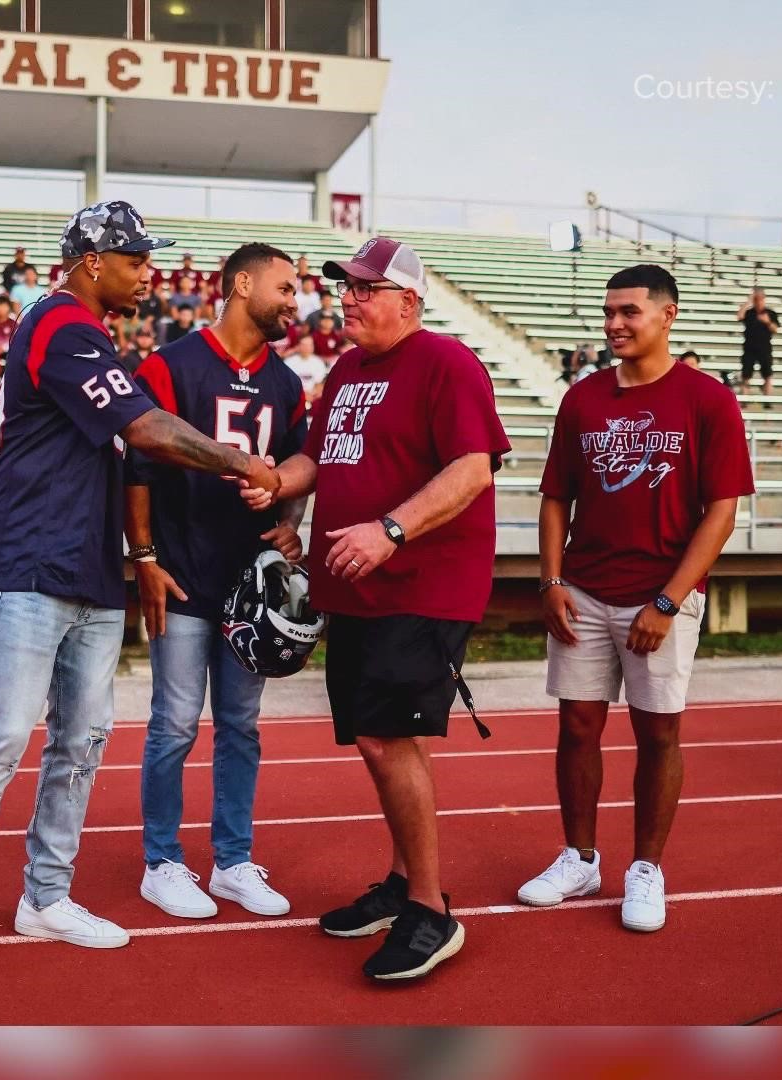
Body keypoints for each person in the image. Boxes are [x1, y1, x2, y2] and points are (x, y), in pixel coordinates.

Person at [0, 200, 281, 991]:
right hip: (26, 559)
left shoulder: (93, 336)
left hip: (87, 565)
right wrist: (242, 463)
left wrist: (139, 553)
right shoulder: (59, 323)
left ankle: (46, 896)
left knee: (80, 744)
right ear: (91, 261)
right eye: (135, 257)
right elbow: (147, 431)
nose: (149, 271)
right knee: (4, 737)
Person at [239, 236, 510, 983]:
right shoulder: (349, 369)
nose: (349, 298)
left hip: (421, 583)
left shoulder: (447, 363)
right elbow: (319, 460)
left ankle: (430, 908)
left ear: (409, 301)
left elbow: (473, 469)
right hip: (352, 585)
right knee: (372, 740)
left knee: (390, 740)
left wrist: (392, 530)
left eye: (365, 287)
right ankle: (401, 881)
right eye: (347, 286)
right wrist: (274, 485)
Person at [519, 264, 755, 934]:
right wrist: (551, 580)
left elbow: (721, 512)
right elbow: (556, 497)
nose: (616, 324)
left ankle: (646, 867)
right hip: (586, 591)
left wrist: (669, 600)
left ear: (667, 314)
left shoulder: (706, 399)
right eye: (609, 312)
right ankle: (580, 856)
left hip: (661, 596)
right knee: (577, 727)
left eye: (630, 311)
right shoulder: (583, 398)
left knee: (658, 731)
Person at [127, 243, 310, 923]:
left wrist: (291, 522)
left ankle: (232, 861)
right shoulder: (171, 364)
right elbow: (140, 466)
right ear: (241, 284)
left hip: (249, 586)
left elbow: (298, 463)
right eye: (285, 287)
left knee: (241, 725)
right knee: (174, 723)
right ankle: (162, 861)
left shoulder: (286, 383)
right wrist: (144, 557)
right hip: (181, 571)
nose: (295, 301)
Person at [735, 286, 779, 395]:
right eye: (756, 299)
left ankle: (768, 400)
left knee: (767, 375)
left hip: (764, 348)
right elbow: (739, 316)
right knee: (746, 375)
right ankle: (745, 399)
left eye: (760, 299)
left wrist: (767, 322)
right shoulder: (750, 313)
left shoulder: (770, 313)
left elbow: (776, 329)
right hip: (749, 348)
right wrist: (748, 301)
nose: (758, 302)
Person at [283, 332, 330, 403]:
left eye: (310, 345)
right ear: (298, 346)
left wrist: (311, 394)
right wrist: (302, 395)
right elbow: (285, 384)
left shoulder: (318, 363)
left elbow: (319, 384)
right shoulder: (289, 362)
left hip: (312, 398)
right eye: (304, 345)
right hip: (293, 398)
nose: (307, 348)